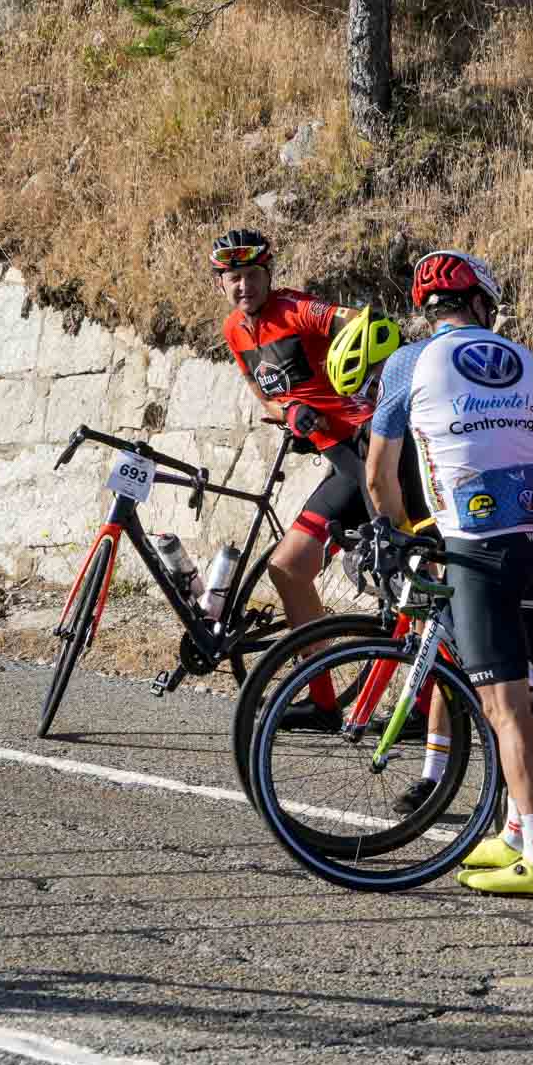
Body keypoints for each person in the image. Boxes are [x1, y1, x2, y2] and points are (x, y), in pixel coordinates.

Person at [364, 249, 533, 898]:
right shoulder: (524, 357)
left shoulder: (407, 361)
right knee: (514, 696)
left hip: (478, 548)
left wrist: (403, 531)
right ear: (479, 303)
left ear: (428, 309)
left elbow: (378, 473)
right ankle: (512, 829)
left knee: (504, 708)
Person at [211, 229, 372, 726]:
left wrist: (358, 378)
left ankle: (437, 708)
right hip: (341, 461)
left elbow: (357, 321)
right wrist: (289, 412)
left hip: (371, 449)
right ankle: (324, 702)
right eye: (234, 278)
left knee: (417, 584)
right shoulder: (234, 331)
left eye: (253, 275)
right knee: (288, 569)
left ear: (269, 274)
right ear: (221, 284)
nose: (245, 287)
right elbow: (266, 398)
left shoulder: (295, 309)